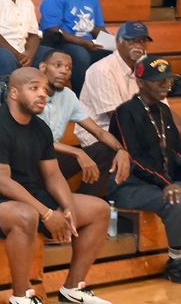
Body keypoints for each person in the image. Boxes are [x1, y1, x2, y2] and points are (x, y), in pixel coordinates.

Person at [0, 67, 113, 304]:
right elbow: (1, 183)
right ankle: (21, 298)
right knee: (26, 215)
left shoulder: (39, 127)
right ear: (14, 93)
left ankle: (73, 289)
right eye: (34, 88)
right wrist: (47, 213)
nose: (43, 94)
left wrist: (67, 209)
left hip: (30, 196)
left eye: (44, 90)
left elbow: (53, 175)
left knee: (98, 209)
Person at [109, 57, 181, 284]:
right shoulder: (125, 113)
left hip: (162, 182)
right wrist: (166, 184)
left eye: (168, 80)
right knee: (176, 199)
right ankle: (175, 261)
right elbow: (133, 159)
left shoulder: (163, 110)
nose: (166, 85)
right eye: (159, 81)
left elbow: (179, 154)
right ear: (141, 82)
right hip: (130, 185)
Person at [78, 22, 181, 160]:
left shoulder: (147, 67)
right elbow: (118, 118)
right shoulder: (102, 70)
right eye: (132, 41)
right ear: (118, 42)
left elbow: (161, 107)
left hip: (140, 126)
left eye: (142, 41)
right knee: (158, 142)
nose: (138, 45)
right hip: (103, 135)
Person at [37, 49, 130, 197]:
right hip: (32, 160)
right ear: (43, 67)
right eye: (58, 65)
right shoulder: (32, 94)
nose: (64, 71)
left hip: (55, 156)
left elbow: (98, 131)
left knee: (105, 149)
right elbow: (40, 142)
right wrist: (78, 152)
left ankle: (89, 201)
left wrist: (121, 150)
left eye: (68, 68)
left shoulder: (68, 96)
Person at [39, 0, 111, 95]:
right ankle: (82, 99)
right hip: (62, 42)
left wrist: (112, 43)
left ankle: (107, 98)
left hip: (87, 42)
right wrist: (82, 43)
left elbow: (97, 28)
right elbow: (53, 29)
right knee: (80, 55)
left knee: (114, 52)